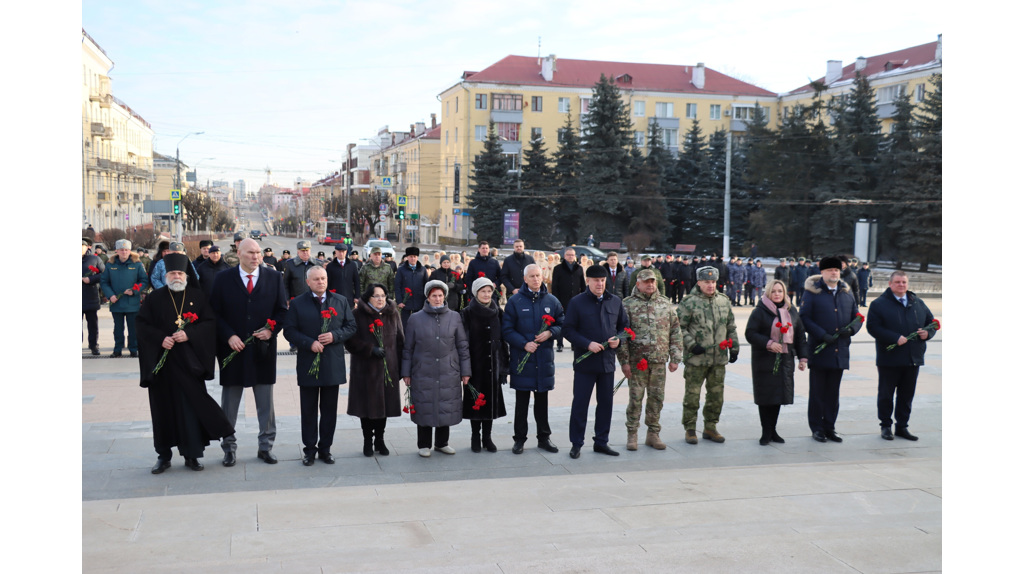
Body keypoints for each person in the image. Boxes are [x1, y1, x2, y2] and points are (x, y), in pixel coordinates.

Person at [135, 254, 235, 473]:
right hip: (162, 368)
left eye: (180, 273)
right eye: (172, 273)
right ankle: (163, 456)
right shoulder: (154, 298)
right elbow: (141, 326)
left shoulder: (198, 298)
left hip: (189, 365)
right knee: (162, 410)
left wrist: (189, 334)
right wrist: (161, 338)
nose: (177, 276)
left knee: (191, 410)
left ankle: (192, 455)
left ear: (187, 275)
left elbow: (210, 324)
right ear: (166, 276)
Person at [209, 238, 289, 465]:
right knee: (230, 402)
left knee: (265, 402)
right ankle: (229, 447)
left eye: (259, 253)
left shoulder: (274, 277)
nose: (256, 257)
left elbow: (281, 311)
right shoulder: (223, 278)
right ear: (239, 254)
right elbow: (214, 312)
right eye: (251, 253)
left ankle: (265, 446)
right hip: (232, 350)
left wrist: (270, 330)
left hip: (262, 350)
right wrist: (229, 336)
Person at [282, 266, 357, 466]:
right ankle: (309, 450)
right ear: (308, 282)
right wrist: (308, 343)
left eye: (323, 278)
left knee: (329, 410)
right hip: (308, 363)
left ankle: (325, 449)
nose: (320, 282)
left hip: (332, 363)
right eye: (316, 279)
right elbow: (288, 330)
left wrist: (334, 336)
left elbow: (351, 326)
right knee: (308, 411)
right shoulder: (297, 304)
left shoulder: (340, 301)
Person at [563, 265, 630, 458]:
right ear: (588, 281)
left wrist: (619, 339)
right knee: (580, 404)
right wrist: (587, 344)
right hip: (585, 364)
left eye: (602, 280)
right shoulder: (577, 302)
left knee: (606, 404)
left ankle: (601, 442)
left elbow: (624, 327)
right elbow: (568, 330)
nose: (600, 284)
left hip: (607, 363)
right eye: (596, 280)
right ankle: (576, 443)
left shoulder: (615, 301)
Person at [402, 281, 471, 457]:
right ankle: (424, 444)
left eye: (440, 295)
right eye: (434, 295)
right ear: (428, 297)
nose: (438, 299)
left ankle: (442, 443)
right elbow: (408, 348)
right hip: (423, 369)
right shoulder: (415, 318)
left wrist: (465, 371)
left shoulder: (455, 317)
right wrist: (406, 372)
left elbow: (462, 345)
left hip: (448, 369)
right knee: (425, 404)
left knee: (445, 405)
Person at [866, 271, 937, 441]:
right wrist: (894, 337)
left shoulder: (917, 302)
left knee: (906, 395)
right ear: (890, 284)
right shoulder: (879, 304)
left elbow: (932, 323)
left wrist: (927, 333)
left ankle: (902, 426)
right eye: (897, 282)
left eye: (904, 282)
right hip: (889, 358)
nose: (901, 285)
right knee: (886, 394)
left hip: (913, 358)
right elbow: (873, 327)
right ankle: (885, 426)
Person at [618, 268, 684, 450]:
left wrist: (675, 357)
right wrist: (624, 362)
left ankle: (653, 434)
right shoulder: (627, 305)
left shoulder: (665, 304)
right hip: (637, 364)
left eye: (652, 281)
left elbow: (675, 331)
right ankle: (632, 434)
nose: (650, 284)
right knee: (635, 399)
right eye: (646, 282)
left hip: (658, 362)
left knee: (657, 398)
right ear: (637, 284)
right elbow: (622, 335)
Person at [799, 256, 861, 443]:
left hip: (839, 351)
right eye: (830, 270)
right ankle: (817, 428)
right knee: (818, 392)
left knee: (833, 393)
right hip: (820, 350)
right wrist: (821, 334)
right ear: (822, 272)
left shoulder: (846, 292)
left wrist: (851, 330)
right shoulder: (813, 292)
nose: (834, 272)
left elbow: (857, 317)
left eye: (836, 269)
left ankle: (830, 427)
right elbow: (804, 318)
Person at [503, 264, 564, 455]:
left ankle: (544, 438)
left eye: (538, 275)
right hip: (523, 360)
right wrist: (524, 344)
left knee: (542, 403)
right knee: (521, 404)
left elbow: (563, 323)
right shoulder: (515, 301)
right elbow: (507, 330)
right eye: (532, 276)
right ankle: (519, 439)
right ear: (525, 279)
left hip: (543, 360)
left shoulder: (552, 300)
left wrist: (550, 333)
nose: (536, 279)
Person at [677, 265, 739, 444]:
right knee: (692, 395)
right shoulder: (689, 302)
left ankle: (710, 427)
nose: (710, 285)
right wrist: (691, 344)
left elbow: (730, 326)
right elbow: (679, 327)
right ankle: (690, 428)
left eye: (713, 282)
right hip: (697, 359)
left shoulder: (724, 301)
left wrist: (734, 347)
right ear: (699, 282)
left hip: (718, 358)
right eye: (706, 282)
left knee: (716, 395)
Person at [744, 279, 810, 445]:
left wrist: (803, 358)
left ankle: (773, 430)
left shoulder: (791, 311)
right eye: (773, 291)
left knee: (778, 396)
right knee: (766, 397)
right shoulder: (760, 312)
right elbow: (750, 333)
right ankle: (766, 431)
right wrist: (769, 343)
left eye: (780, 291)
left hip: (785, 360)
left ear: (784, 293)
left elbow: (800, 336)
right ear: (768, 293)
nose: (777, 294)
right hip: (765, 361)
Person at [345, 283, 404, 456]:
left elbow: (401, 340)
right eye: (376, 296)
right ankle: (367, 441)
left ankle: (380, 440)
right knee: (367, 407)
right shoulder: (357, 314)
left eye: (383, 295)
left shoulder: (393, 313)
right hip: (365, 369)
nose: (380, 299)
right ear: (368, 298)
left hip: (388, 369)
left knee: (384, 406)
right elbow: (350, 341)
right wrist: (370, 349)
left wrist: (400, 367)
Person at [460, 278, 509, 453]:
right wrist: (464, 369)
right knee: (476, 402)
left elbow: (503, 342)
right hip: (475, 365)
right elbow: (462, 342)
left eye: (489, 291)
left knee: (491, 403)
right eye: (483, 291)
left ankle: (487, 437)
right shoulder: (466, 313)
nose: (487, 295)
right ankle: (475, 436)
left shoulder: (498, 312)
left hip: (493, 365)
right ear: (476, 293)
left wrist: (503, 368)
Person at [100, 239, 150, 358]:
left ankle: (133, 349)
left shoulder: (137, 264)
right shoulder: (110, 265)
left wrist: (134, 291)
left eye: (126, 250)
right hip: (116, 302)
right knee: (118, 328)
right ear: (116, 251)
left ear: (130, 251)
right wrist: (110, 295)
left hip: (132, 302)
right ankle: (117, 349)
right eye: (121, 250)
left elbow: (144, 280)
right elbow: (104, 282)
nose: (124, 252)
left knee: (133, 328)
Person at [550, 247, 585, 352]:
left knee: (575, 322)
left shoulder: (579, 268)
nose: (571, 257)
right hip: (562, 299)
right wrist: (556, 300)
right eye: (569, 255)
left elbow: (582, 285)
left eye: (573, 255)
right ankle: (559, 343)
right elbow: (554, 286)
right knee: (561, 322)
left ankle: (574, 343)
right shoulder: (558, 268)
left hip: (576, 300)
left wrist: (584, 297)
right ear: (564, 256)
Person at [395, 246, 428, 330]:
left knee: (419, 325)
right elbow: (397, 286)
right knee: (405, 326)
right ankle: (405, 342)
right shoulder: (401, 270)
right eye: (411, 256)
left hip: (419, 302)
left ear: (417, 257)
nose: (413, 258)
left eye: (415, 256)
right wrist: (399, 301)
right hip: (405, 303)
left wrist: (425, 301)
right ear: (407, 257)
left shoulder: (423, 270)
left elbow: (426, 286)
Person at [82, 239, 105, 355]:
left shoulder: (95, 259)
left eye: (82, 246)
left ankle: (94, 345)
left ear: (87, 247)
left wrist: (90, 279)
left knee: (92, 324)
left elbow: (104, 274)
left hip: (90, 295)